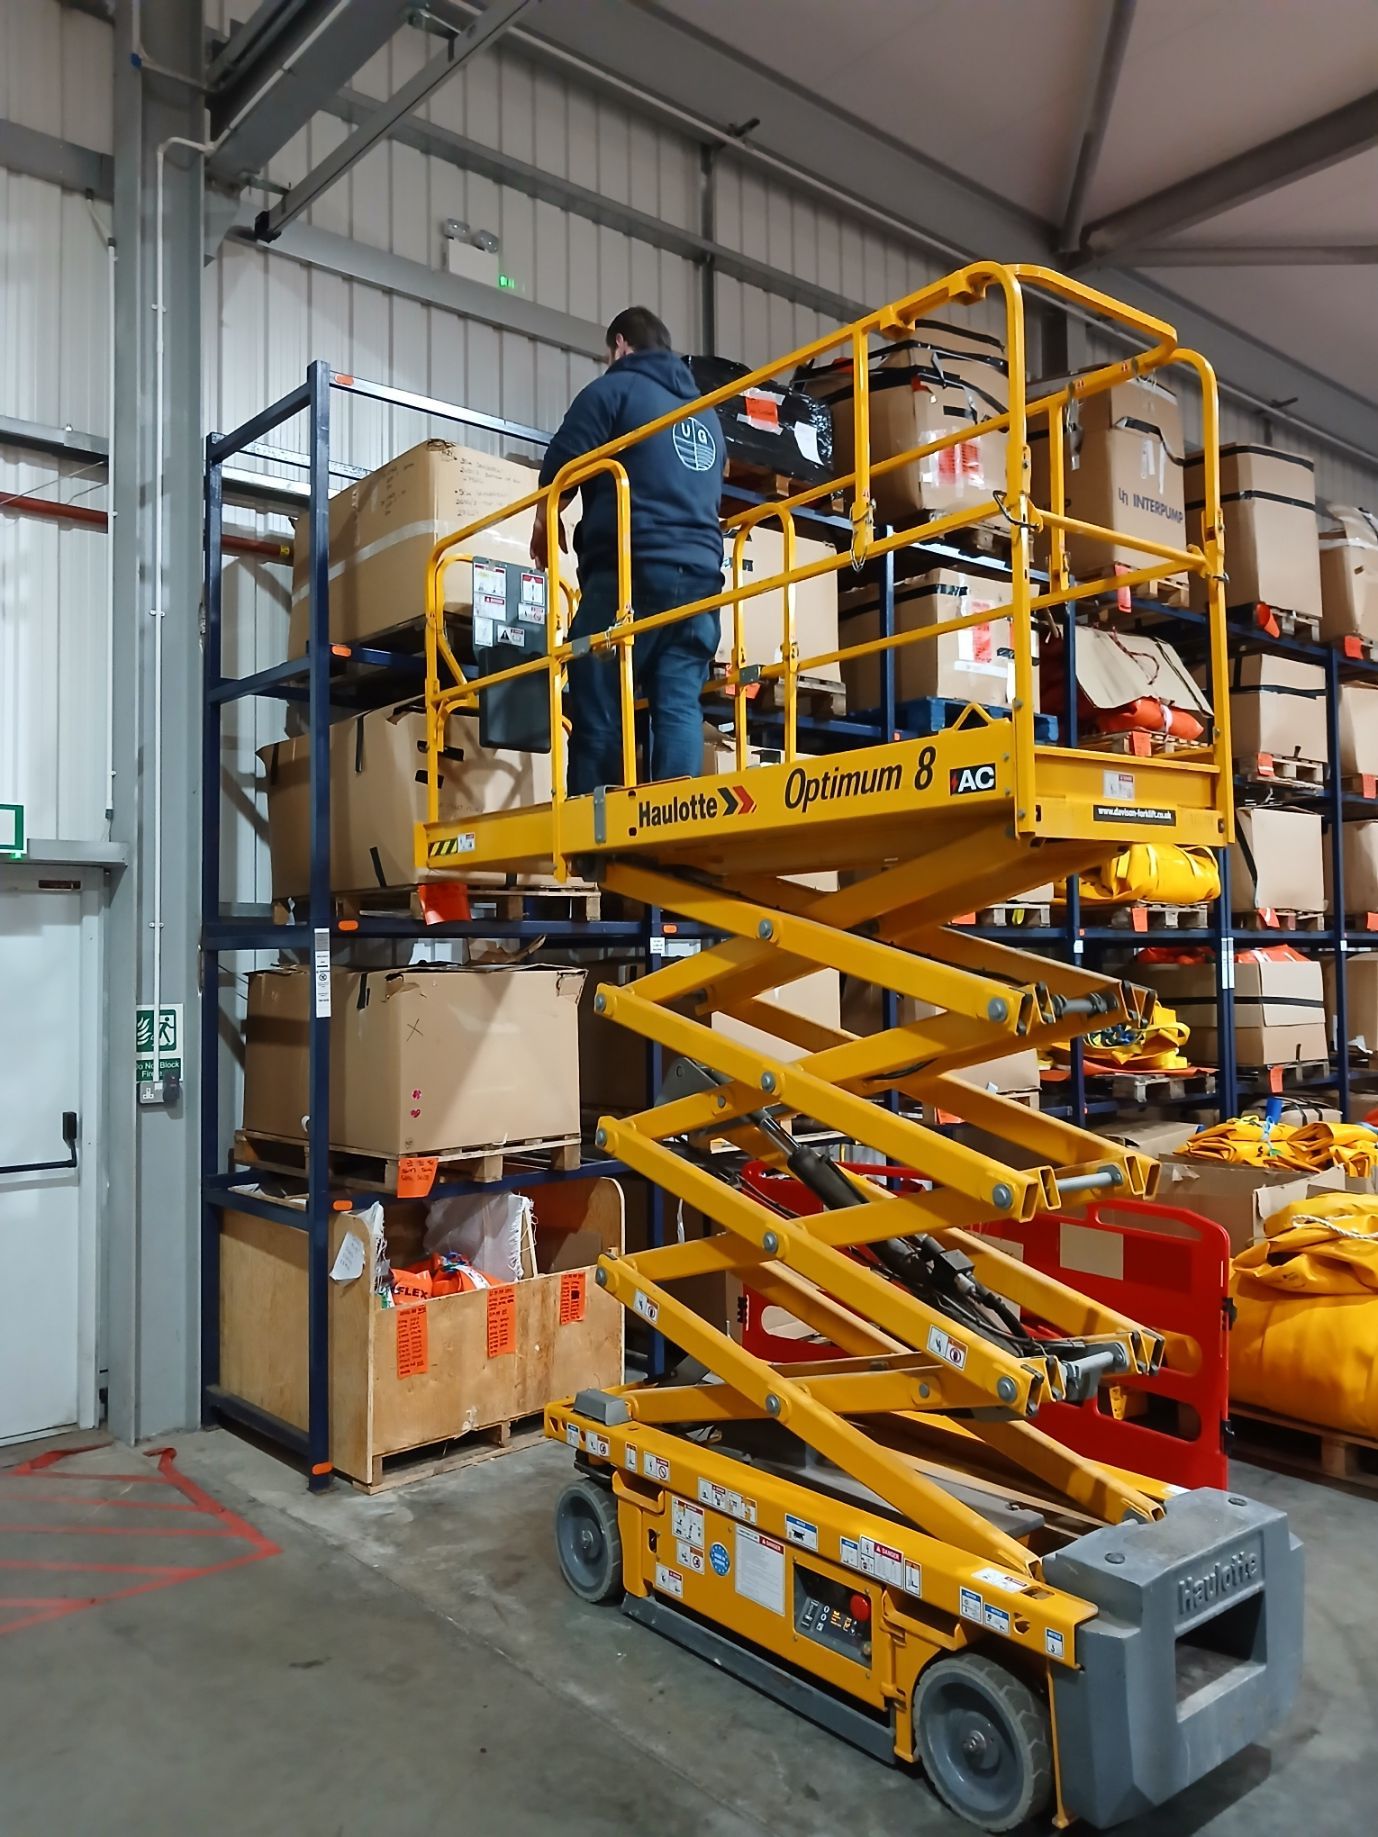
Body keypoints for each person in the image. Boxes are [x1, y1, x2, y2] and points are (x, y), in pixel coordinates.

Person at [532, 307, 725, 796]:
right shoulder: (706, 415)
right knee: (679, 705)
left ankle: (595, 840)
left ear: (619, 345)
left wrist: (544, 520)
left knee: (599, 697)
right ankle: (673, 827)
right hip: (702, 582)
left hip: (631, 573)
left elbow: (562, 467)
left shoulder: (614, 390)